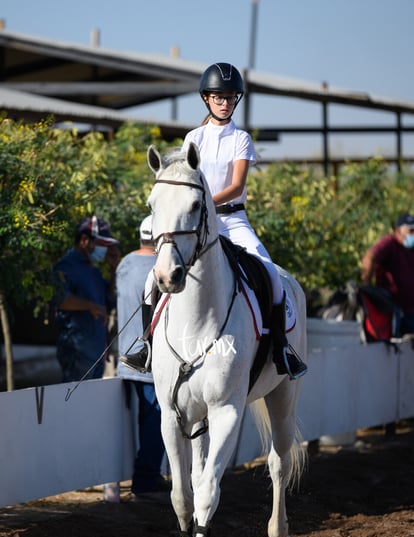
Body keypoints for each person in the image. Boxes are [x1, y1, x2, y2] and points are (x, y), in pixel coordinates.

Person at [120, 62, 307, 379]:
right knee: (154, 279)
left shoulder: (241, 139)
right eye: (219, 97)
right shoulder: (194, 137)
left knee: (271, 274)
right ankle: (146, 346)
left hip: (233, 220)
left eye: (231, 97)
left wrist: (206, 201)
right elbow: (184, 178)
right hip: (196, 223)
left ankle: (281, 348)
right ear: (206, 98)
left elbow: (236, 186)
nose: (225, 103)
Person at [117, 216, 166, 497]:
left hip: (127, 356)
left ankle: (149, 476)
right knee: (156, 420)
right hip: (151, 359)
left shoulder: (124, 262)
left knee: (146, 419)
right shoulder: (158, 267)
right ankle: (145, 482)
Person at [53, 215, 120, 382]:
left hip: (98, 353)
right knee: (74, 403)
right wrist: (92, 306)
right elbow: (60, 299)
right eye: (101, 244)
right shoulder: (66, 266)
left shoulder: (94, 271)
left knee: (89, 405)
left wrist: (113, 270)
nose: (104, 249)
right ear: (84, 240)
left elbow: (110, 300)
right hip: (77, 351)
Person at [361, 212, 414, 336]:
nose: (413, 235)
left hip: (410, 309)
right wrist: (366, 286)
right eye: (410, 231)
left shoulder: (411, 250)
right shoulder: (389, 243)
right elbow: (370, 257)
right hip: (392, 309)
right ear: (398, 231)